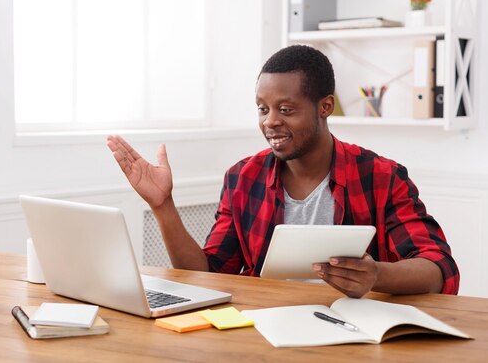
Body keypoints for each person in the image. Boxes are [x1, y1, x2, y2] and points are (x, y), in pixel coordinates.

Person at [107, 45, 459, 298]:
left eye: (286, 109)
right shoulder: (243, 178)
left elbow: (437, 267)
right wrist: (163, 205)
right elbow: (208, 276)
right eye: (262, 108)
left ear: (325, 107)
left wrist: (377, 275)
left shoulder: (381, 176)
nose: (270, 121)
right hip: (265, 329)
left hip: (357, 330)